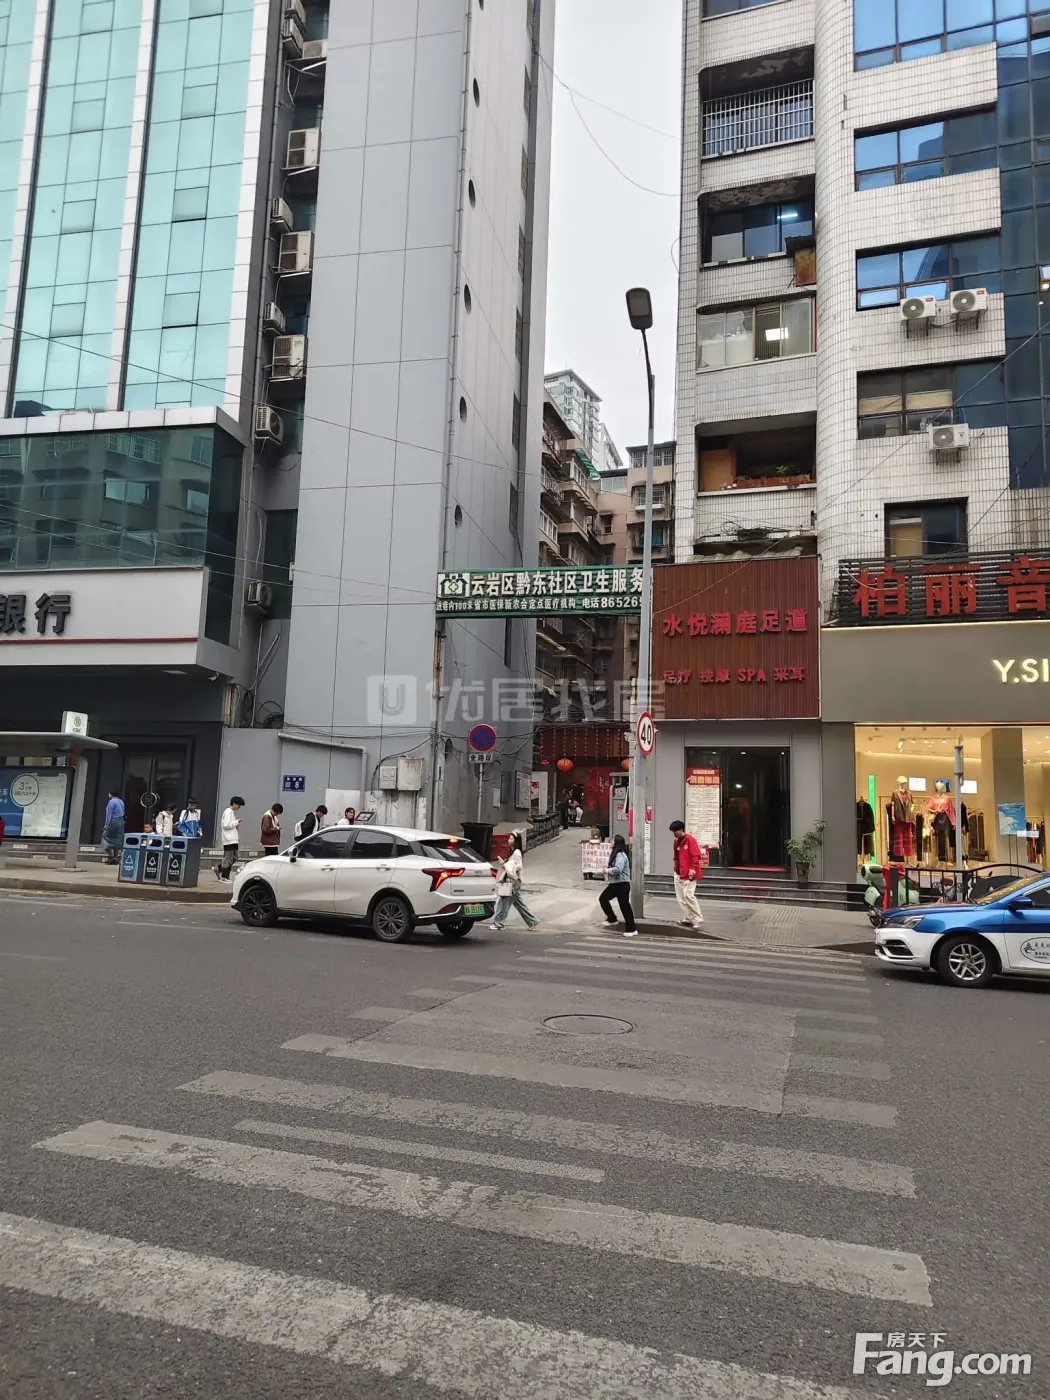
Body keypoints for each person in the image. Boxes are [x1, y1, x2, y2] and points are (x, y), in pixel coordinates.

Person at [489, 834, 538, 930]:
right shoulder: (512, 852)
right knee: (518, 903)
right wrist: (504, 863)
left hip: (512, 881)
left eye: (511, 839)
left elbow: (519, 865)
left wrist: (509, 866)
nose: (508, 840)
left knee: (504, 902)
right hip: (513, 881)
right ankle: (532, 921)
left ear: (516, 841)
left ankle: (499, 923)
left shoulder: (516, 853)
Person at [598, 834, 637, 936]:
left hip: (622, 884)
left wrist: (607, 870)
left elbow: (618, 869)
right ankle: (612, 918)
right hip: (616, 884)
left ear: (617, 843)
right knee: (603, 899)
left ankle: (631, 929)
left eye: (613, 841)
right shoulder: (616, 854)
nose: (611, 842)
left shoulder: (621, 855)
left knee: (624, 906)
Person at [669, 820, 705, 927]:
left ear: (681, 830)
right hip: (679, 873)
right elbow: (676, 856)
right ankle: (688, 918)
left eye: (675, 831)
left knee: (688, 895)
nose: (674, 834)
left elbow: (696, 855)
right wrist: (675, 867)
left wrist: (693, 868)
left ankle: (698, 918)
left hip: (689, 874)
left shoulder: (690, 840)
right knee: (681, 898)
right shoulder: (676, 842)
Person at [216, 797, 244, 880]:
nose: (239, 807)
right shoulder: (228, 812)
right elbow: (226, 825)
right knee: (228, 858)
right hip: (229, 839)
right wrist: (236, 822)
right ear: (234, 803)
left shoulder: (231, 812)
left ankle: (219, 869)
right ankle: (224, 876)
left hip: (233, 839)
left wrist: (236, 824)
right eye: (239, 805)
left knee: (235, 857)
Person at [101, 790, 125, 864]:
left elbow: (109, 814)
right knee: (118, 839)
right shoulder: (121, 801)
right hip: (120, 821)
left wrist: (106, 825)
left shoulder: (111, 802)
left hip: (113, 821)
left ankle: (111, 856)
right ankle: (116, 856)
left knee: (106, 837)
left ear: (111, 794)